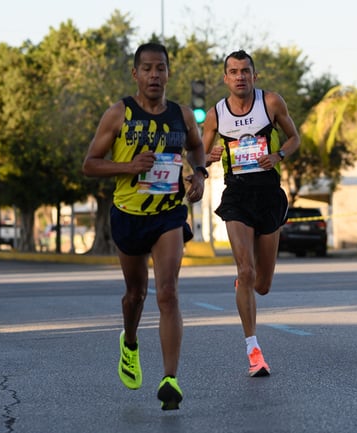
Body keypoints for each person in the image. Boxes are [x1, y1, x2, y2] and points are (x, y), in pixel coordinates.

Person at [81, 42, 206, 411]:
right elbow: (90, 164)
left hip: (168, 214)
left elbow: (197, 148)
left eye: (161, 68)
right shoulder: (119, 113)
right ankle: (131, 341)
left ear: (169, 73)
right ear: (135, 74)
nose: (155, 75)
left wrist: (199, 175)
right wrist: (129, 167)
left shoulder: (183, 115)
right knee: (135, 294)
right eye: (147, 69)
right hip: (128, 214)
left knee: (167, 292)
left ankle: (170, 379)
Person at [200, 49, 300, 378]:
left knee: (263, 284)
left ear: (254, 76)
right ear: (225, 78)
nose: (240, 76)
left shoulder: (270, 103)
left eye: (245, 71)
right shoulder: (216, 114)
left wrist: (279, 155)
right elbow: (199, 154)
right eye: (233, 71)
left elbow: (295, 138)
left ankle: (247, 280)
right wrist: (209, 157)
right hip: (237, 195)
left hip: (269, 195)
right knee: (246, 270)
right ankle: (253, 350)